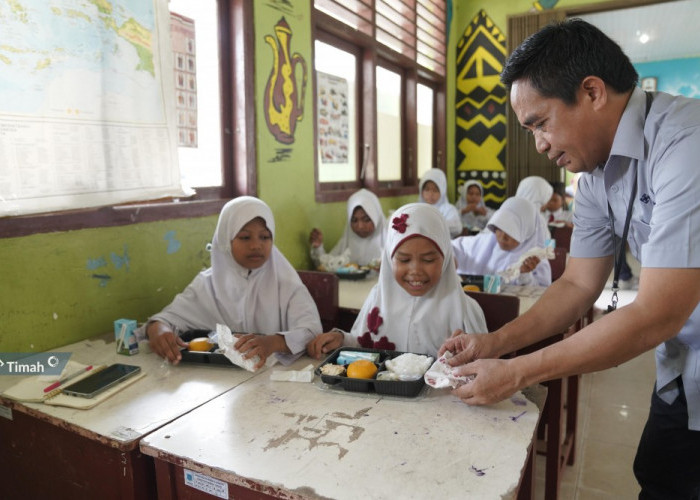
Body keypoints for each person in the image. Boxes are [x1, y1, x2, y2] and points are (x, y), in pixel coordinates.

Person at [439, 18, 700, 499]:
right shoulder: (596, 177)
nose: (539, 145)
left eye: (541, 123)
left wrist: (518, 372)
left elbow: (659, 311)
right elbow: (578, 286)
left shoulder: (686, 144)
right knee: (661, 477)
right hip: (685, 372)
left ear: (593, 92)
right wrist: (494, 343)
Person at [139, 196, 322, 369]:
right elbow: (168, 318)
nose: (256, 245)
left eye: (265, 237)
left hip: (273, 377)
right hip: (218, 382)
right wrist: (158, 329)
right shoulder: (207, 284)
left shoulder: (287, 284)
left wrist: (273, 342)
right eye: (244, 237)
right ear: (226, 240)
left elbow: (312, 330)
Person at [306, 203, 486, 359]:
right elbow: (363, 344)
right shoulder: (379, 296)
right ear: (389, 259)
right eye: (404, 260)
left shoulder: (463, 311)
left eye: (428, 260)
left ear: (446, 259)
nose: (415, 271)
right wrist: (341, 339)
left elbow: (482, 365)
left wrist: (466, 354)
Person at [452, 197, 551, 287]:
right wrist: (449, 257)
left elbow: (541, 294)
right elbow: (452, 247)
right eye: (500, 229)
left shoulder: (535, 259)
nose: (502, 237)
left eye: (512, 232)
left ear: (526, 233)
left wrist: (524, 275)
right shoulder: (485, 243)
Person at [309, 188, 386, 269]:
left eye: (366, 220)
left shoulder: (390, 242)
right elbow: (326, 265)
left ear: (376, 218)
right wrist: (317, 248)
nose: (360, 226)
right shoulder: (346, 242)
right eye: (354, 220)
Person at [418, 168, 462, 238]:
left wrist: (433, 224)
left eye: (435, 190)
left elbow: (457, 228)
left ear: (442, 191)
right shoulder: (417, 208)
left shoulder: (448, 209)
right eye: (427, 189)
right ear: (421, 191)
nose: (430, 194)